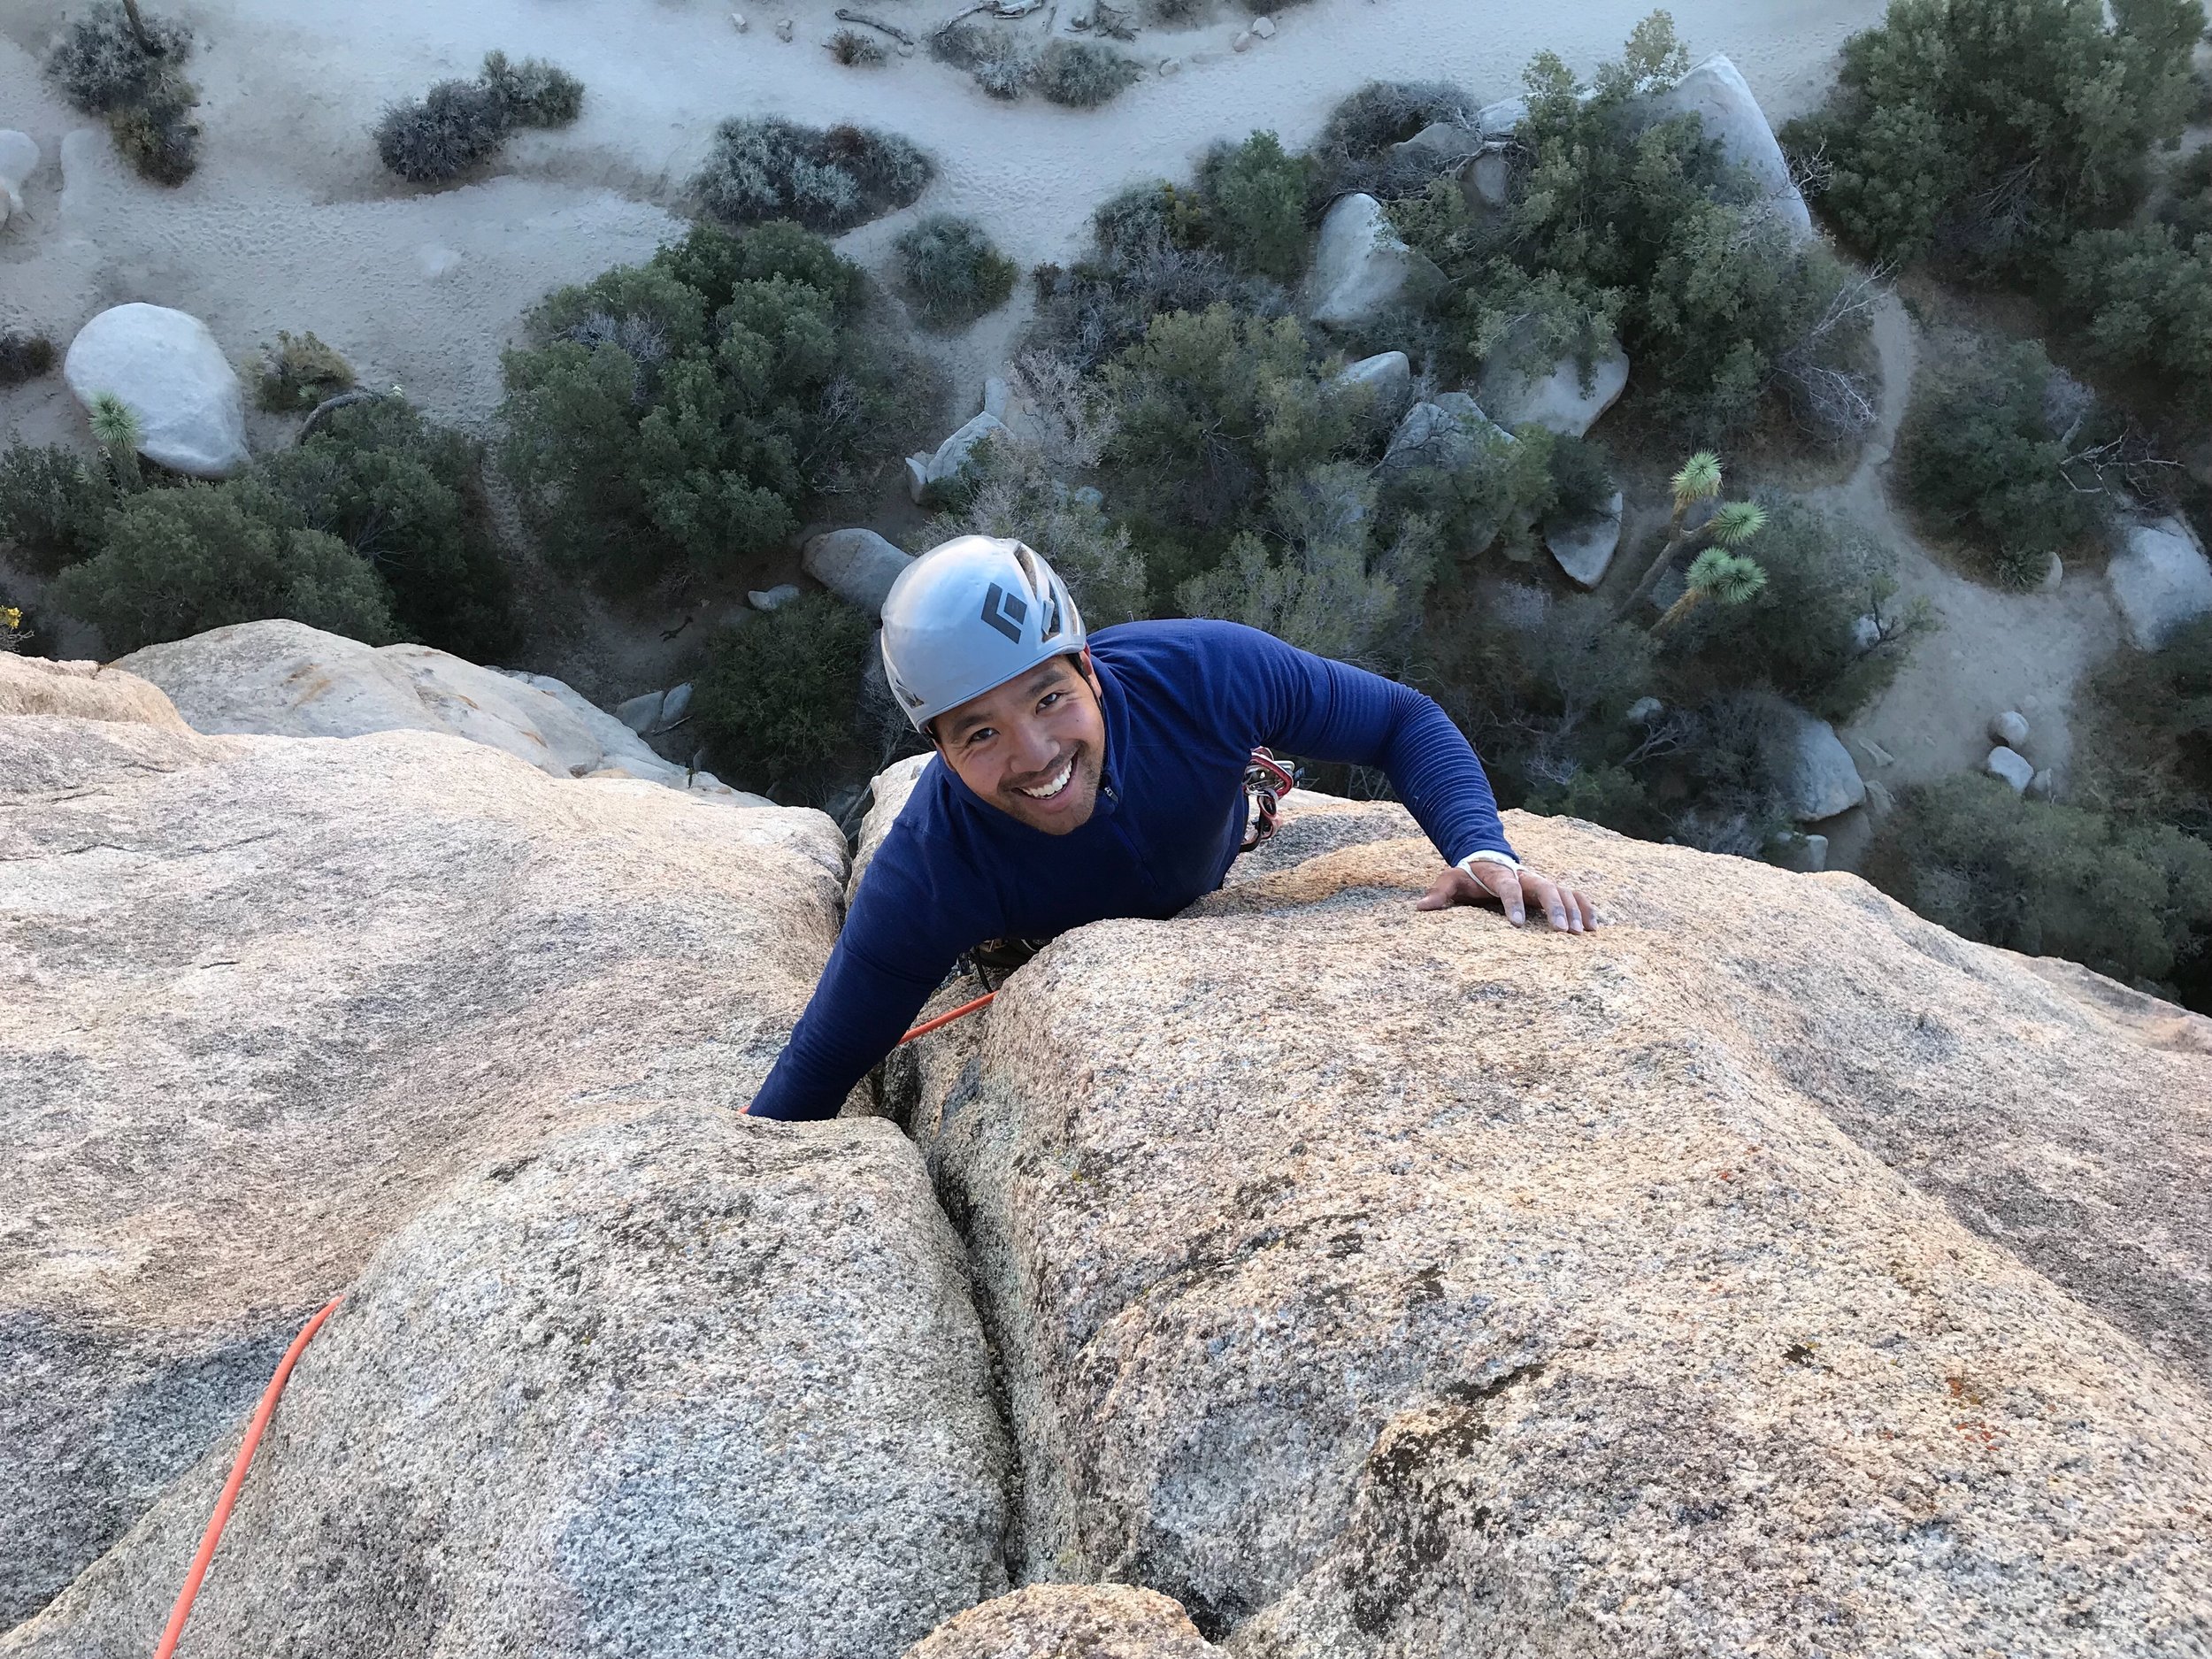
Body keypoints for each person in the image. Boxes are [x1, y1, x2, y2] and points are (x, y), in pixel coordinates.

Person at [745, 535, 1599, 1122]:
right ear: (936, 748)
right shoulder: (931, 869)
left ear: (1090, 667)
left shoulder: (1203, 675)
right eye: (980, 733)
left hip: (1220, 840)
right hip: (1032, 931)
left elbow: (1401, 722)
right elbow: (819, 1068)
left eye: (1049, 697)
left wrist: (1478, 848)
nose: (1036, 752)